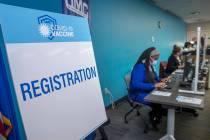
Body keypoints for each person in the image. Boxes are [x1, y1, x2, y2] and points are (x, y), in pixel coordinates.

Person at [129, 47, 167, 129]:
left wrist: (161, 80)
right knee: (157, 100)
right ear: (149, 57)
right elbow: (135, 84)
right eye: (155, 58)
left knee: (162, 97)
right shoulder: (140, 67)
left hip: (148, 90)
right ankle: (154, 116)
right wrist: (154, 85)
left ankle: (158, 115)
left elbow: (155, 77)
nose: (156, 60)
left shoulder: (149, 65)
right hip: (138, 93)